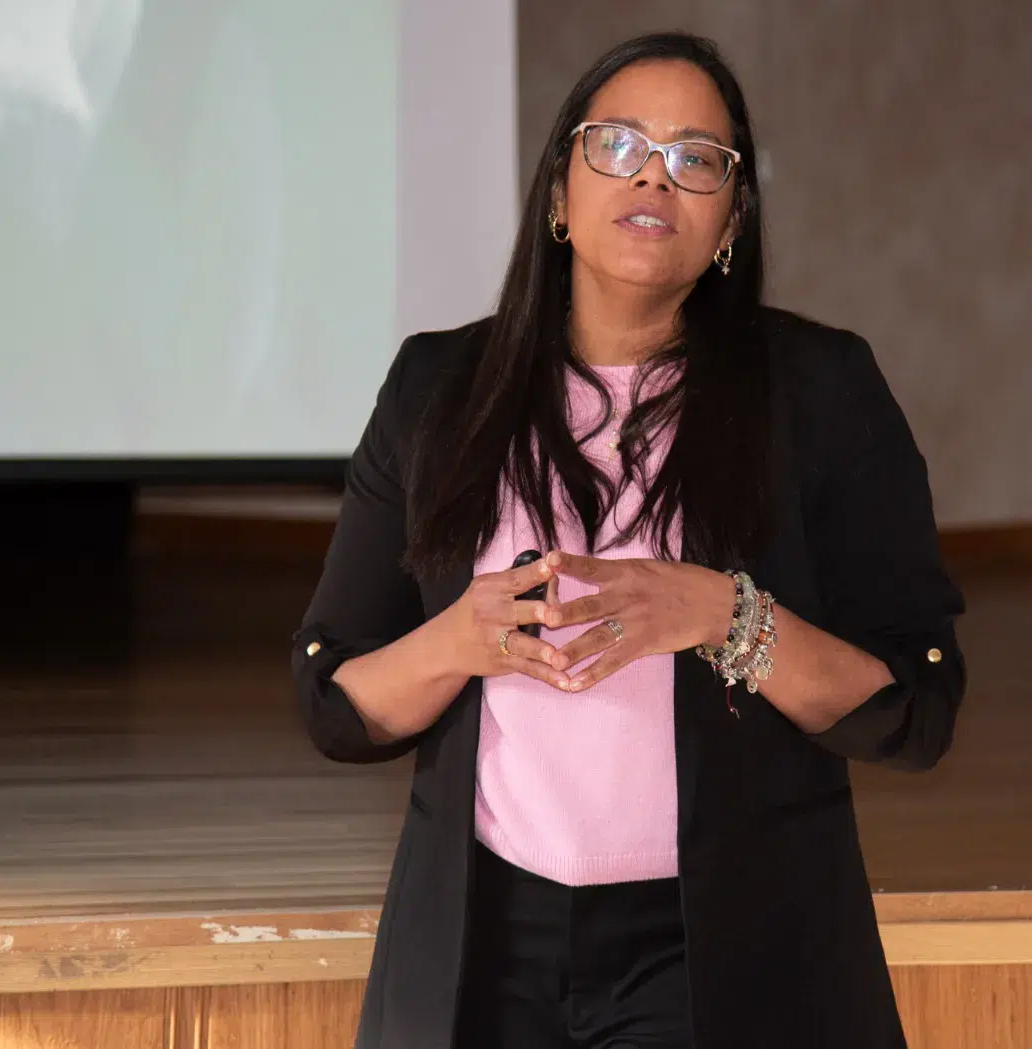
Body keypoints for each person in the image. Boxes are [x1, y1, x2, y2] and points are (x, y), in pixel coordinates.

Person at [292, 31, 967, 1049]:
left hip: (720, 946)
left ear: (730, 223)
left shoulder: (820, 393)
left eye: (698, 158)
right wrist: (460, 640)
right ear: (558, 197)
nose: (655, 174)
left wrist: (726, 615)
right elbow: (334, 702)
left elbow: (916, 708)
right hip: (484, 937)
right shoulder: (439, 391)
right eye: (618, 144)